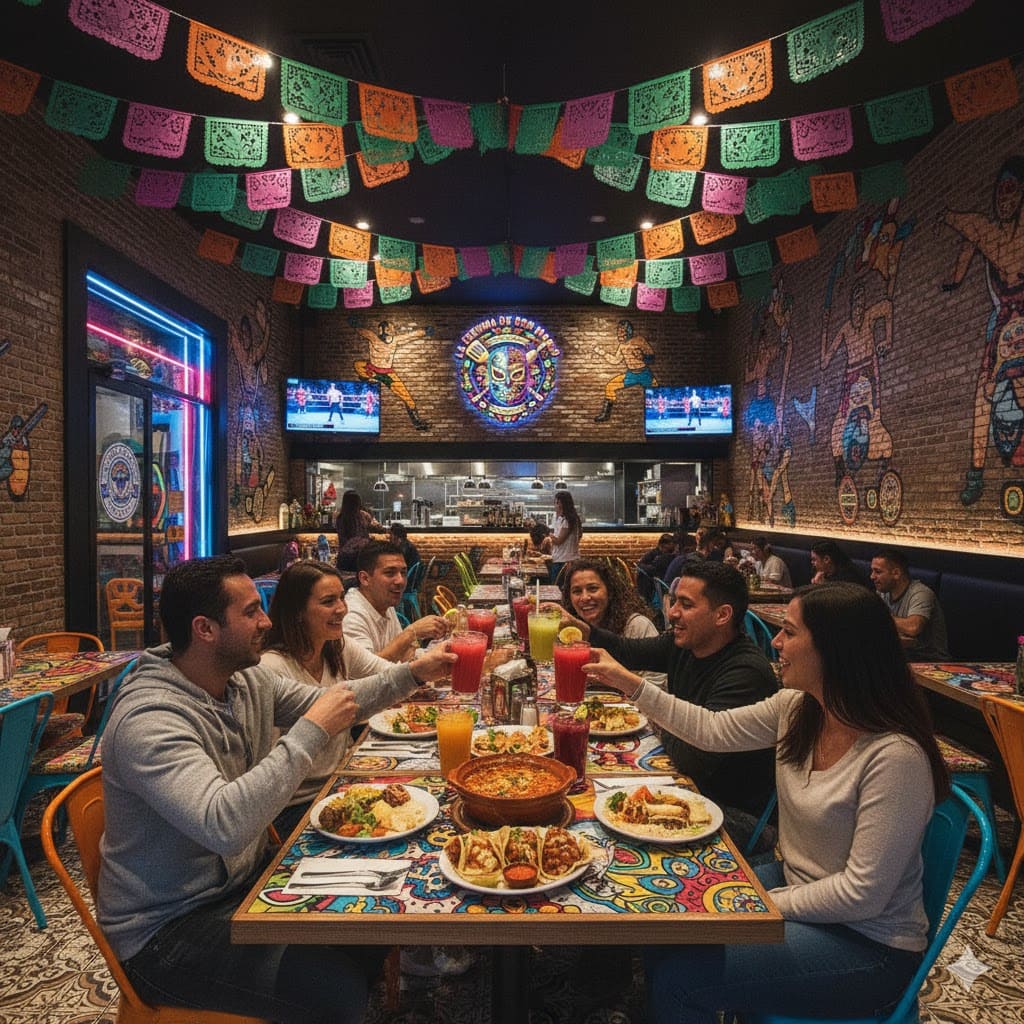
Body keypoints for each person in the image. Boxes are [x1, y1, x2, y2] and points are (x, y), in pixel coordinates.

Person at [592, 582, 948, 1024]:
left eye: (790, 633)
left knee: (681, 980)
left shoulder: (895, 758)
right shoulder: (798, 708)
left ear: (835, 650)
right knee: (665, 918)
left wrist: (761, 903)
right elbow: (710, 729)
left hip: (866, 946)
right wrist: (628, 683)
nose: (775, 642)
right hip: (795, 884)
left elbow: (862, 895)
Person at [96, 555, 394, 1023]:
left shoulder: (244, 680)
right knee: (337, 991)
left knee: (373, 919)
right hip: (167, 932)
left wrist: (418, 673)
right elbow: (225, 825)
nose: (266, 621)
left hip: (240, 888)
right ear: (205, 628)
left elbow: (339, 703)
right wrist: (309, 733)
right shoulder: (149, 721)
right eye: (252, 611)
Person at [554, 560, 778, 845]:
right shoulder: (685, 643)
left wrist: (655, 713)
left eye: (685, 604)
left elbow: (689, 757)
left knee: (597, 830)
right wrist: (583, 630)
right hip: (685, 782)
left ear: (722, 615)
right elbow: (627, 651)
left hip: (732, 812)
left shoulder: (745, 673)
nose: (671, 613)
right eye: (674, 602)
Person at [260, 560, 454, 837]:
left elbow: (386, 677)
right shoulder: (271, 668)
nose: (342, 608)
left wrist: (427, 668)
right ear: (297, 612)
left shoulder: (335, 645)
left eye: (341, 597)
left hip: (343, 779)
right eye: (328, 601)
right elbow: (267, 767)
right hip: (298, 806)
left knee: (432, 803)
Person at [560, 558, 666, 689]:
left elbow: (658, 683)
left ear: (610, 591)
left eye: (593, 589)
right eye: (577, 591)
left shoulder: (637, 625)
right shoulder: (571, 631)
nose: (585, 597)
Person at [342, 540, 448, 662]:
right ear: (365, 578)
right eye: (389, 573)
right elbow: (366, 674)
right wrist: (411, 632)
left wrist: (440, 653)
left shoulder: (385, 602)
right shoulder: (351, 616)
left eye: (403, 573)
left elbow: (404, 654)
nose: (400, 581)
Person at [870, 548, 950, 661]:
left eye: (878, 572)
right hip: (901, 653)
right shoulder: (883, 592)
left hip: (929, 660)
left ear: (896, 573)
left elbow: (913, 627)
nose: (872, 576)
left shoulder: (920, 593)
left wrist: (881, 617)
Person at [335, 489, 380, 571]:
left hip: (346, 556)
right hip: (359, 556)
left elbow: (344, 539)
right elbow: (376, 527)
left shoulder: (341, 518)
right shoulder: (364, 516)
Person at [549, 490, 583, 582]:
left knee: (558, 590)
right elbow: (579, 536)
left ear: (563, 504)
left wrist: (548, 534)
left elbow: (558, 541)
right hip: (567, 559)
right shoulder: (567, 519)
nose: (555, 505)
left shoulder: (567, 520)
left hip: (563, 561)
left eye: (557, 502)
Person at [637, 532, 677, 600]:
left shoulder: (665, 556)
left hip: (654, 585)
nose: (672, 549)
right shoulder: (655, 554)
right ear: (662, 545)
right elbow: (640, 565)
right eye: (669, 547)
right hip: (654, 587)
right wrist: (652, 568)